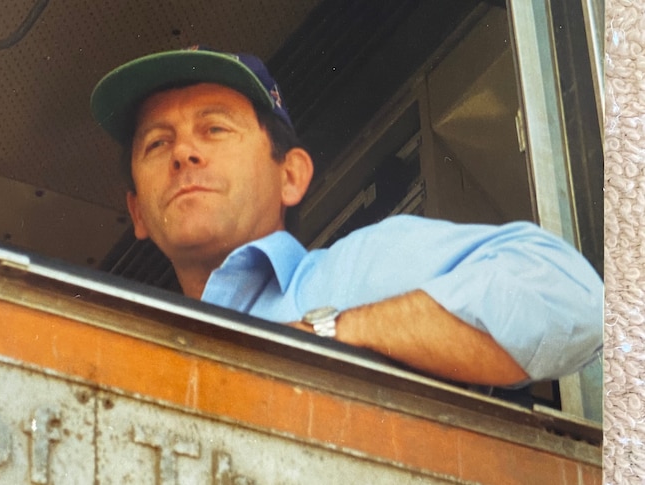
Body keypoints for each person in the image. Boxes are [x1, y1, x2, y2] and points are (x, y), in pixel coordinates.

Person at [90, 46, 603, 387]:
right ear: (137, 211)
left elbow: (570, 298)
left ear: (290, 175)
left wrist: (330, 334)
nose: (184, 154)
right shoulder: (127, 365)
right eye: (158, 142)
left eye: (215, 129)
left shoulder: (360, 268)